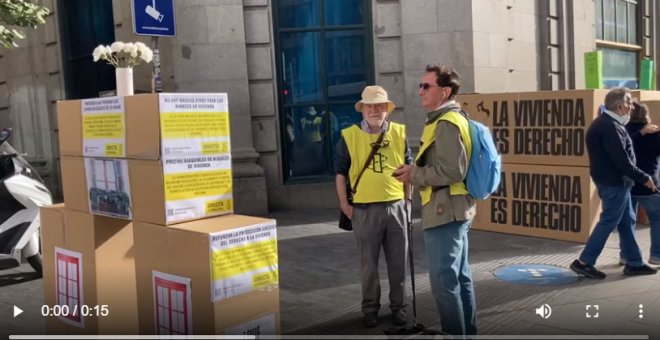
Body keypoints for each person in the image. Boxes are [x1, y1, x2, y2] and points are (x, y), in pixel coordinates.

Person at [392, 64, 477, 335]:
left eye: (426, 86)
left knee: (444, 285)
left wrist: (413, 174)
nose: (420, 91)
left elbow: (453, 170)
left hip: (445, 212)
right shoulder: (449, 118)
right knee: (459, 279)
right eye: (420, 86)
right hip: (454, 210)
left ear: (445, 91)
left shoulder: (447, 123)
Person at [334, 85, 412, 328]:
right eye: (370, 106)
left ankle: (399, 307)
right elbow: (340, 174)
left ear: (387, 110)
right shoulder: (349, 136)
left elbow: (408, 170)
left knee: (398, 262)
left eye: (380, 106)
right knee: (368, 264)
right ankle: (370, 308)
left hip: (396, 206)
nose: (375, 110)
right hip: (364, 209)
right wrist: (345, 204)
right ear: (363, 110)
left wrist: (409, 202)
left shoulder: (399, 133)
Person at [569, 87, 657, 279]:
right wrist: (645, 177)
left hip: (617, 183)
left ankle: (634, 263)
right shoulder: (610, 127)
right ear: (619, 106)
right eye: (628, 103)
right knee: (609, 221)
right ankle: (584, 262)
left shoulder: (607, 124)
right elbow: (622, 161)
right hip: (614, 184)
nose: (631, 107)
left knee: (627, 222)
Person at [625, 101, 660, 265]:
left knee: (628, 220)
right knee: (657, 219)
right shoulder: (655, 133)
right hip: (649, 184)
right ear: (647, 115)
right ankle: (656, 255)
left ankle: (625, 255)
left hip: (627, 184)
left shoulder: (623, 131)